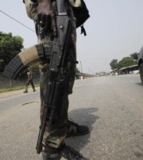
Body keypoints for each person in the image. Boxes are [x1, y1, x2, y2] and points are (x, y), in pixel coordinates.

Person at [24, 0, 89, 159]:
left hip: (65, 14)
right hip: (52, 13)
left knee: (64, 75)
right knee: (54, 77)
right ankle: (53, 148)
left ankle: (62, 127)